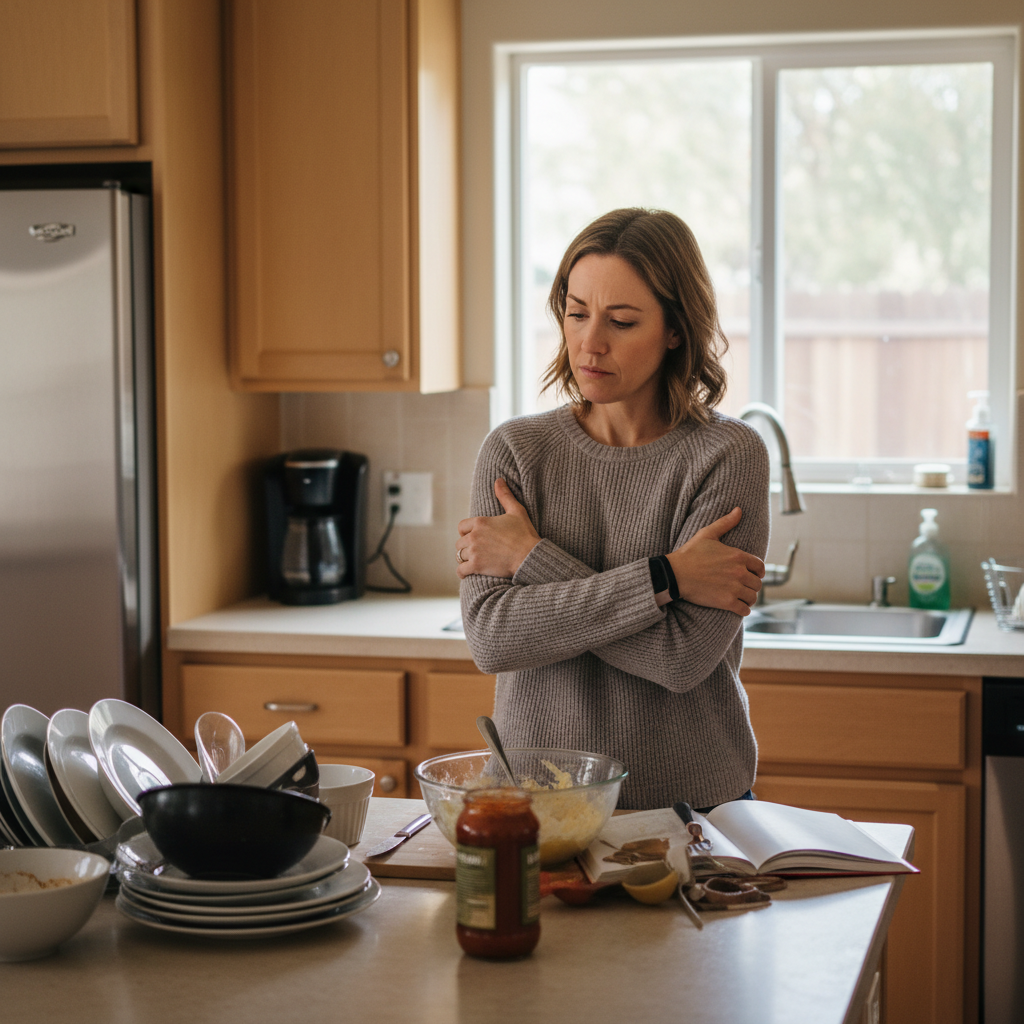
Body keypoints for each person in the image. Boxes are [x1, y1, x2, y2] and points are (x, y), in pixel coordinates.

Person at [456, 208, 770, 811]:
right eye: (576, 314)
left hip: (692, 807)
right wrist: (667, 578)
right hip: (536, 803)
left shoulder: (728, 456)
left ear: (676, 329)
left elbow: (680, 658)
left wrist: (531, 559)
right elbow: (494, 640)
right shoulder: (515, 452)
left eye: (621, 321)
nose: (589, 343)